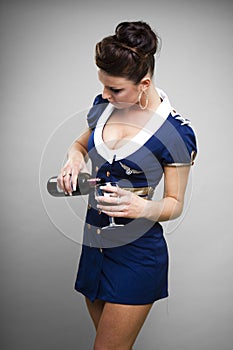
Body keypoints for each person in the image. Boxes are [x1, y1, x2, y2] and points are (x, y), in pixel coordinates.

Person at [57, 21, 197, 350]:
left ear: (144, 83)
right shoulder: (104, 107)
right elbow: (79, 145)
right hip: (95, 247)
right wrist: (74, 158)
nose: (105, 95)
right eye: (103, 86)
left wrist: (144, 207)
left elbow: (174, 202)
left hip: (137, 254)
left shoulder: (175, 134)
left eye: (115, 89)